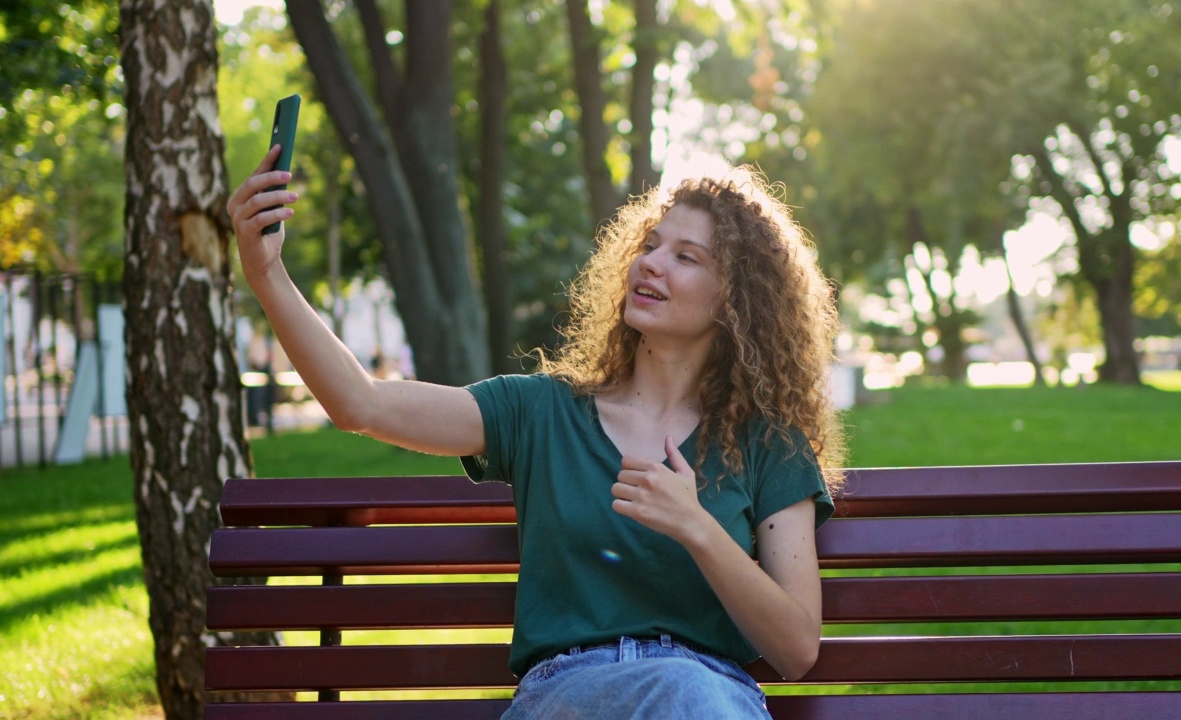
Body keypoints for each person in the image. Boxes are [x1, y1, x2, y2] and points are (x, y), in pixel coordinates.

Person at [227, 145, 846, 719]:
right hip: (568, 694)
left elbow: (795, 648)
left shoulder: (770, 445)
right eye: (651, 244)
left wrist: (697, 529)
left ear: (734, 301)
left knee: (686, 692)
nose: (650, 263)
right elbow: (360, 403)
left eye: (686, 257)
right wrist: (267, 273)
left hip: (706, 694)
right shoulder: (540, 413)